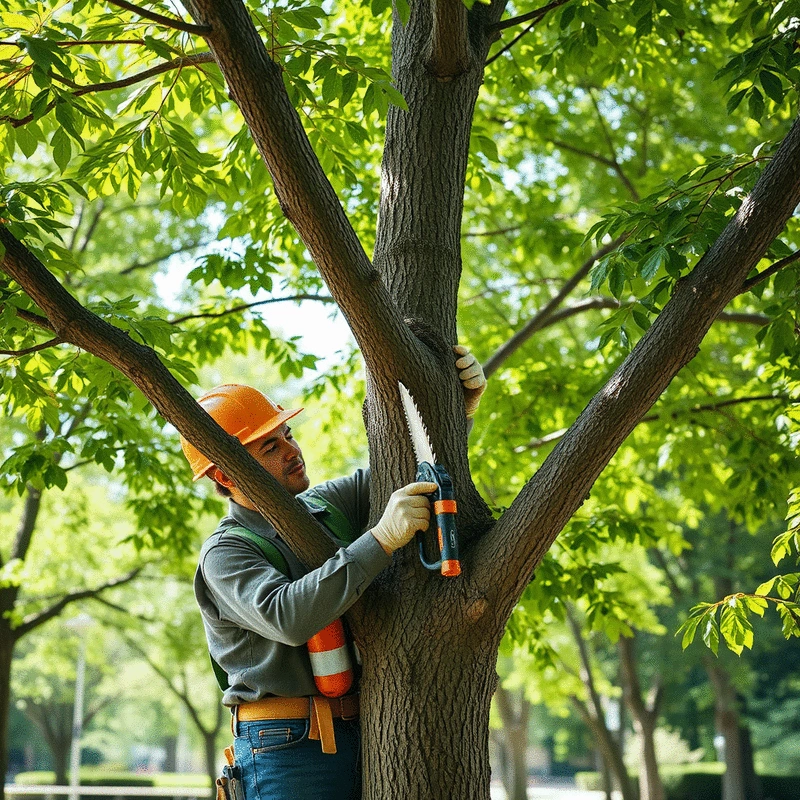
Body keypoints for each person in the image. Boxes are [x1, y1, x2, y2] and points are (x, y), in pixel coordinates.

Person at [180, 346, 486, 800]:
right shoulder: (227, 553)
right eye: (271, 446)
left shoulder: (325, 505)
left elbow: (407, 468)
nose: (292, 449)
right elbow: (288, 616)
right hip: (285, 747)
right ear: (225, 476)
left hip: (366, 729)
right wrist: (381, 538)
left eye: (286, 435)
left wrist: (455, 410)